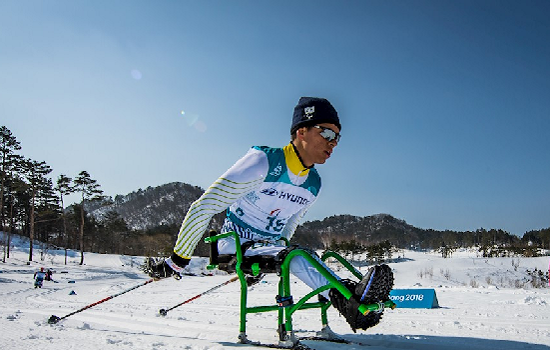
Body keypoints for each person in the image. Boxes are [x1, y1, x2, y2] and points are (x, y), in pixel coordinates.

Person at [148, 97, 393, 331]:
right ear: (301, 131)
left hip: (269, 248)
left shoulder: (313, 183)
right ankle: (349, 302)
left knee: (298, 254)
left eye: (337, 138)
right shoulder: (263, 161)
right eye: (326, 133)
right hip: (234, 245)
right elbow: (204, 207)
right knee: (297, 255)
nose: (333, 143)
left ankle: (353, 296)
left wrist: (274, 254)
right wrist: (178, 260)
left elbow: (289, 224)